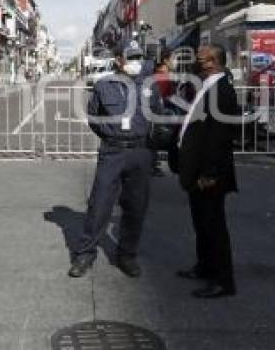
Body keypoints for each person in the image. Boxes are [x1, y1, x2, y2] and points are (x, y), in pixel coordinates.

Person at [68, 41, 163, 279]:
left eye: (138, 57)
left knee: (135, 206)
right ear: (119, 60)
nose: (136, 62)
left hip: (140, 153)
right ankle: (85, 254)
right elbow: (94, 118)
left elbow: (157, 115)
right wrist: (113, 137)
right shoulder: (103, 85)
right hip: (113, 152)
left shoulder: (150, 85)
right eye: (131, 57)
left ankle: (126, 255)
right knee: (99, 205)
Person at [176, 44, 240, 298]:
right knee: (201, 224)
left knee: (214, 227)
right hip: (197, 170)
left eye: (199, 59)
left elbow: (220, 136)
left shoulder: (222, 90)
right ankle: (204, 266)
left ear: (211, 62)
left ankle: (223, 281)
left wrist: (209, 173)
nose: (196, 62)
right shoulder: (208, 86)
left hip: (209, 174)